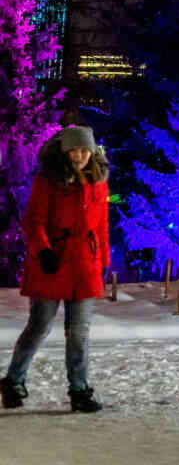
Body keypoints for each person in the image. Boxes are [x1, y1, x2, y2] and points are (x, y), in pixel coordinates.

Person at [2, 125, 110, 412]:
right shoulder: (48, 181)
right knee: (39, 326)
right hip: (52, 263)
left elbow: (101, 225)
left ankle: (79, 390)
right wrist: (44, 250)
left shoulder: (99, 181)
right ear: (65, 150)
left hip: (85, 264)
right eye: (74, 149)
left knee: (79, 332)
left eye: (85, 149)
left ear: (92, 151)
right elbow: (33, 222)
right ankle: (13, 380)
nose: (80, 155)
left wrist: (104, 261)